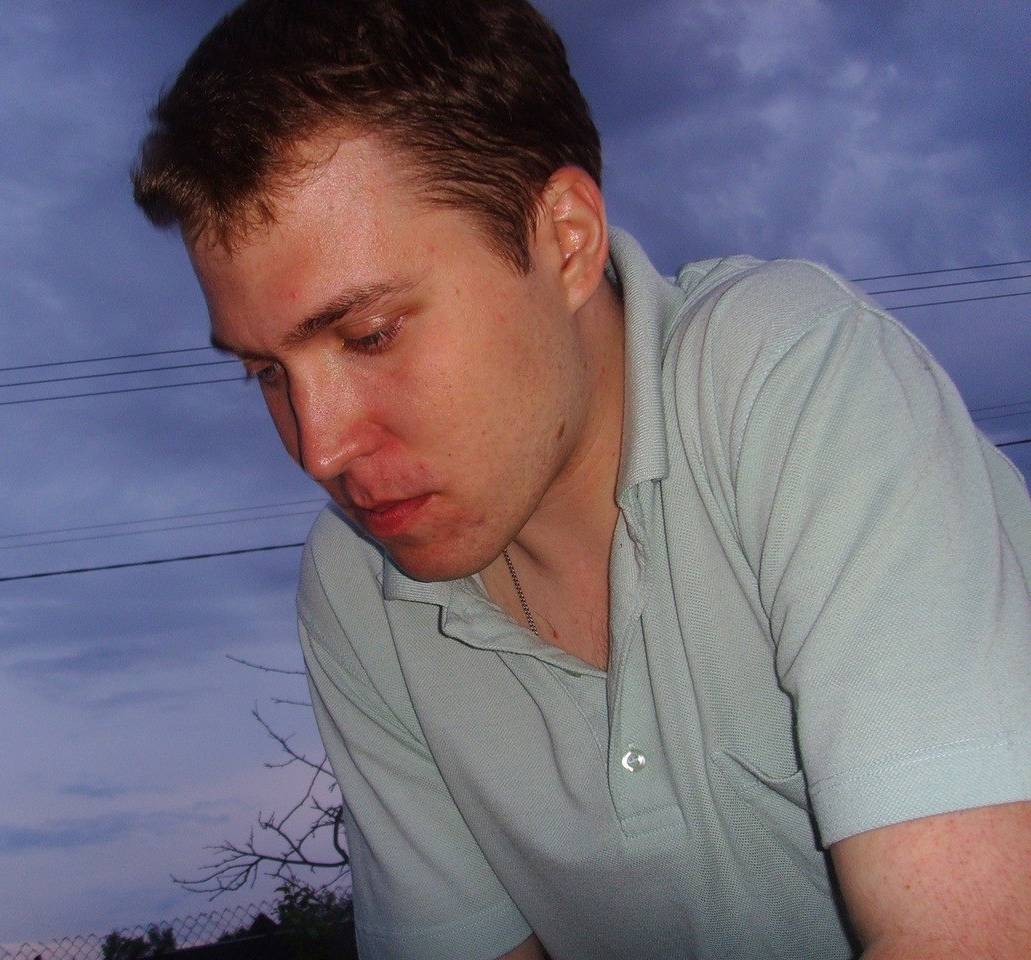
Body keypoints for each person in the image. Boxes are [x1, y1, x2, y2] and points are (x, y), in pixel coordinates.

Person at [131, 1, 1031, 957]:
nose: (320, 450)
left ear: (565, 239)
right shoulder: (359, 587)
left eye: (371, 334)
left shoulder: (791, 380)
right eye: (266, 373)